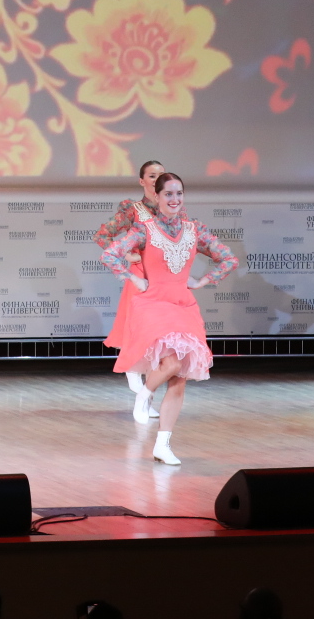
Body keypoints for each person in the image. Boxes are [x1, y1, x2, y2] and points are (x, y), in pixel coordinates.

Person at [99, 171, 238, 464]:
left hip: (183, 305)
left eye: (179, 193)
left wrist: (202, 280)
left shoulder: (193, 229)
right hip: (153, 303)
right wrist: (133, 279)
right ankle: (144, 394)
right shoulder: (144, 229)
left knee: (180, 377)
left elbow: (228, 258)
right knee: (172, 363)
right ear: (158, 196)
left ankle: (163, 444)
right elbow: (110, 254)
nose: (175, 199)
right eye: (168, 194)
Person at [93, 159, 168, 415]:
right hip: (140, 277)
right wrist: (126, 254)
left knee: (160, 337)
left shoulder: (172, 209)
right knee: (140, 329)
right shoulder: (133, 209)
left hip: (164, 278)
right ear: (142, 181)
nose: (156, 179)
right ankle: (133, 372)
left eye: (161, 175)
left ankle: (147, 398)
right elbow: (102, 235)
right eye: (152, 175)